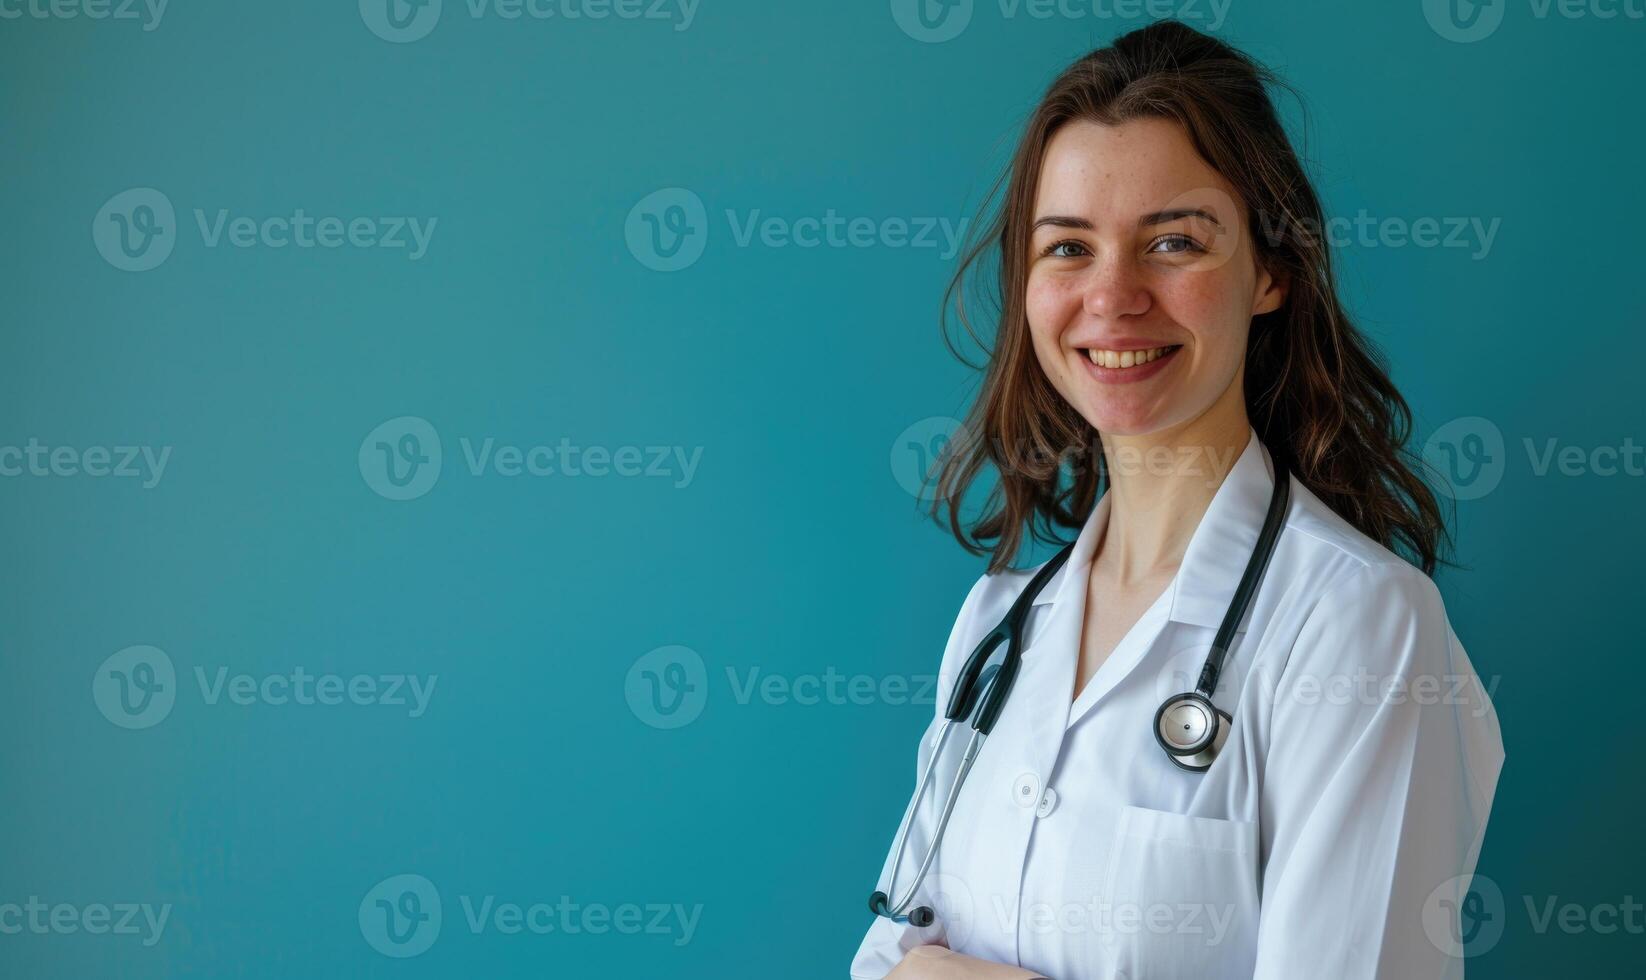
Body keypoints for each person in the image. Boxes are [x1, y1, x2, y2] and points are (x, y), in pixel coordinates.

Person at [852, 20, 1504, 980]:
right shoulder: (997, 626)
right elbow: (881, 956)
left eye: (1173, 242)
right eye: (1068, 248)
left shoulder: (1358, 627)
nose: (1113, 297)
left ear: (1272, 272)